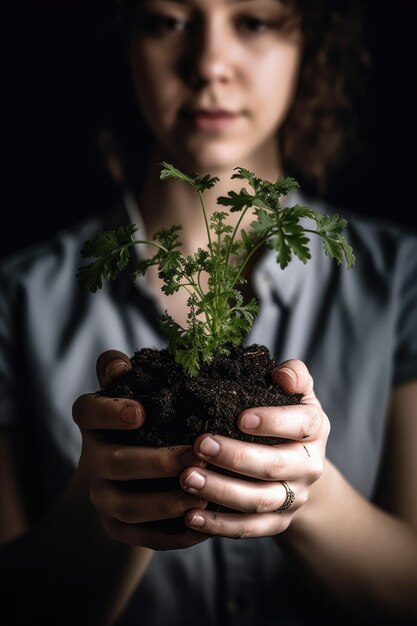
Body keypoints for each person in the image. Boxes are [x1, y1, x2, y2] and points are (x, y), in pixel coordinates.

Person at [1, 1, 416, 625]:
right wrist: (105, 508)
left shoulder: (400, 279)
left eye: (253, 21)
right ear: (124, 42)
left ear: (312, 43)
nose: (209, 64)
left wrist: (312, 494)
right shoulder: (17, 300)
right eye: (168, 21)